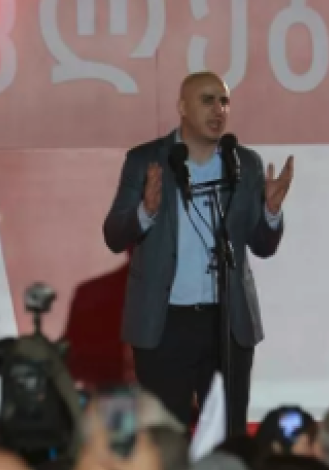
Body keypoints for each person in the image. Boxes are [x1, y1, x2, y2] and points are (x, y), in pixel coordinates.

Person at [103, 71, 294, 435]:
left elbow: (263, 246)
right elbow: (114, 235)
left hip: (227, 322)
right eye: (207, 100)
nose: (218, 109)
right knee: (163, 438)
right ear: (182, 107)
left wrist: (271, 212)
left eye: (224, 101)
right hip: (164, 324)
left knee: (228, 436)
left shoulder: (245, 164)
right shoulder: (146, 160)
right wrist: (145, 212)